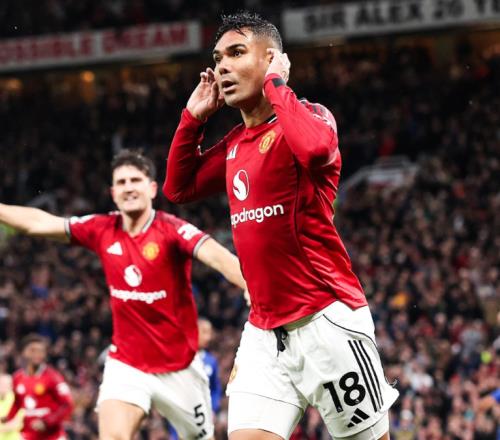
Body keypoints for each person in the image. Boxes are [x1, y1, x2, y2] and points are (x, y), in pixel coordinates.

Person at [163, 11, 399, 440]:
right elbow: (178, 188)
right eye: (218, 58)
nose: (223, 67)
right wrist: (192, 119)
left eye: (237, 53)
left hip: (327, 323)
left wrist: (276, 84)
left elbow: (314, 151)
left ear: (271, 59)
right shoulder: (236, 144)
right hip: (264, 331)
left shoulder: (311, 116)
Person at [0, 149, 247, 440]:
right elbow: (39, 223)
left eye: (135, 180)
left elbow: (218, 257)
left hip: (180, 368)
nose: (128, 187)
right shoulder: (102, 228)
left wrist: (249, 286)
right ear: (113, 193)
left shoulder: (172, 230)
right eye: (121, 182)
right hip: (127, 365)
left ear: (152, 188)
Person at [4, 335, 73, 440]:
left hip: (52, 436)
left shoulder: (53, 377)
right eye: (33, 350)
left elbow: (67, 404)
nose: (37, 354)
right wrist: (8, 417)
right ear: (23, 352)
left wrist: (47, 422)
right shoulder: (17, 378)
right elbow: (18, 402)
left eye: (41, 351)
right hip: (28, 434)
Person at [198, 318, 222, 416]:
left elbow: (215, 388)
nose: (208, 338)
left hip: (204, 415)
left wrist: (213, 409)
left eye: (209, 333)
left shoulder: (211, 361)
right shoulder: (182, 359)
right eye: (204, 332)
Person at [0, 374, 23, 440]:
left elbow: (18, 423)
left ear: (11, 386)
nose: (2, 386)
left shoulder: (17, 400)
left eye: (6, 384)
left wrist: (3, 428)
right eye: (1, 384)